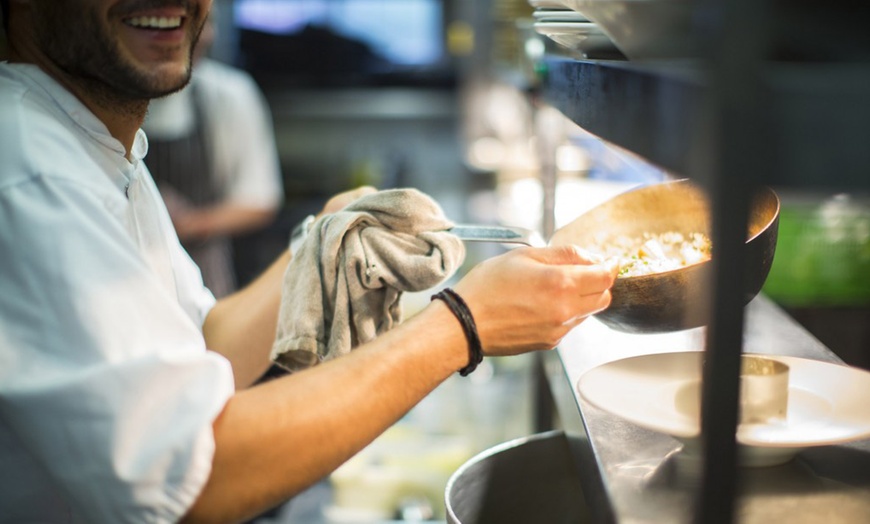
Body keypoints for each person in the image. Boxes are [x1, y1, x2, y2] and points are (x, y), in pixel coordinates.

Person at [0, 1, 617, 523]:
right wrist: (463, 324)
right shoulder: (28, 167)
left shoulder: (94, 141)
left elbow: (207, 344)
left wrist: (327, 235)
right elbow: (194, 477)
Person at [142, 12, 283, 298]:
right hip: (133, 273)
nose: (199, 35)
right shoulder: (112, 97)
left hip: (207, 277)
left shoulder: (230, 94)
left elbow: (260, 201)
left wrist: (188, 222)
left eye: (205, 21)